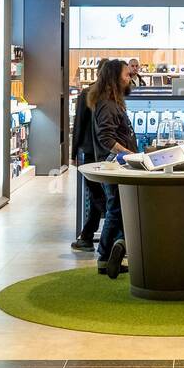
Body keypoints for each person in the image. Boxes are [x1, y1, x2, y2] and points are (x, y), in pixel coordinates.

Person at [89, 58, 137, 277]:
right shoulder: (108, 105)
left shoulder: (112, 101)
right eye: (126, 75)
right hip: (114, 166)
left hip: (117, 164)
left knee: (117, 208)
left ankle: (111, 253)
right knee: (116, 209)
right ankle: (107, 255)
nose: (130, 78)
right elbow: (106, 138)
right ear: (115, 77)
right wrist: (129, 155)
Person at [70, 82, 105, 252]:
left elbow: (79, 123)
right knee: (99, 197)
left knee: (96, 196)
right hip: (100, 152)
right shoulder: (106, 93)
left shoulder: (89, 93)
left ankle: (87, 237)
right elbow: (80, 123)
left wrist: (74, 152)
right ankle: (88, 237)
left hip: (91, 151)